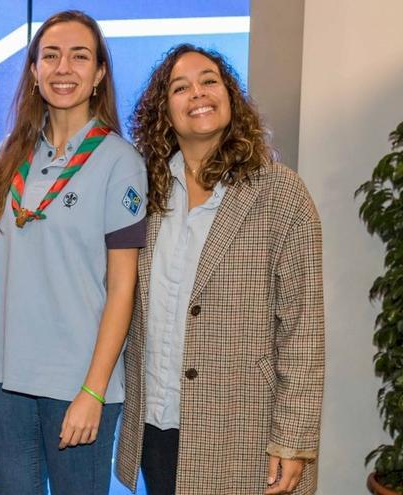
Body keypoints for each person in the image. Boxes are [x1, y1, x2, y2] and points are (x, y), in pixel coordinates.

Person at [115, 44, 325, 495]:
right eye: (180, 87)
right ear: (163, 112)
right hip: (159, 423)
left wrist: (293, 440)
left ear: (229, 95)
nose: (197, 93)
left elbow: (303, 329)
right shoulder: (143, 192)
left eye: (209, 80)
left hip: (243, 431)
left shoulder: (280, 193)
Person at [0, 10, 147, 495]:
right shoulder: (13, 154)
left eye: (79, 56)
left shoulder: (120, 162)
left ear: (98, 75)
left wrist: (94, 390)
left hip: (77, 382)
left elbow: (123, 288)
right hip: (7, 381)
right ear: (34, 72)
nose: (63, 68)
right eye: (50, 56)